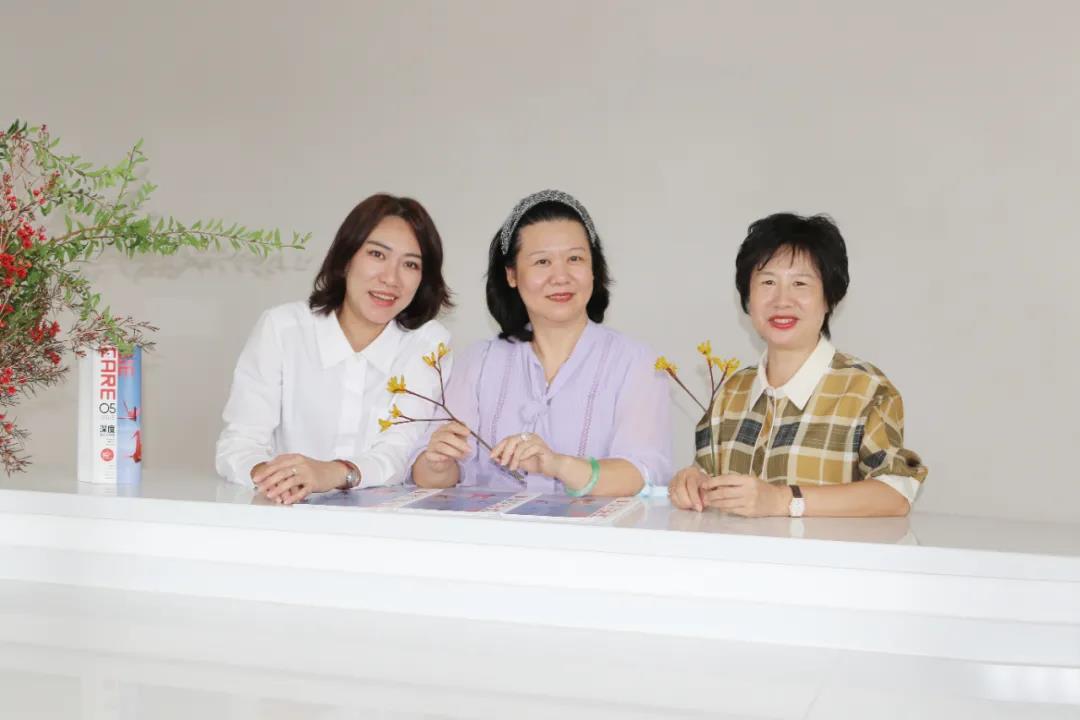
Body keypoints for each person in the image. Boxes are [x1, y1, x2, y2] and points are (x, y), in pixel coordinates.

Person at [410, 189, 670, 497]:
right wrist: (437, 463)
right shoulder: (478, 362)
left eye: (575, 259)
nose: (560, 276)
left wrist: (558, 465)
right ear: (511, 275)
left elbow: (644, 474)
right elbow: (430, 477)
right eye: (542, 261)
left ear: (594, 269)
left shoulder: (636, 362)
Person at [669, 213, 927, 517]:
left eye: (800, 283)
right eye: (768, 282)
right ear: (748, 297)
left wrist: (783, 500)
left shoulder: (867, 390)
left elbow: (896, 494)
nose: (782, 300)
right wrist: (692, 482)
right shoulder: (731, 393)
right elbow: (706, 477)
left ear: (829, 298)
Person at [215, 193, 453, 504]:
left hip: (382, 522)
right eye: (377, 254)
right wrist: (277, 478)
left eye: (410, 264)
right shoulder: (282, 328)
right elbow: (240, 443)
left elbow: (399, 451)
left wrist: (332, 473)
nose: (390, 278)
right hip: (283, 512)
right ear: (346, 258)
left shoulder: (428, 343)